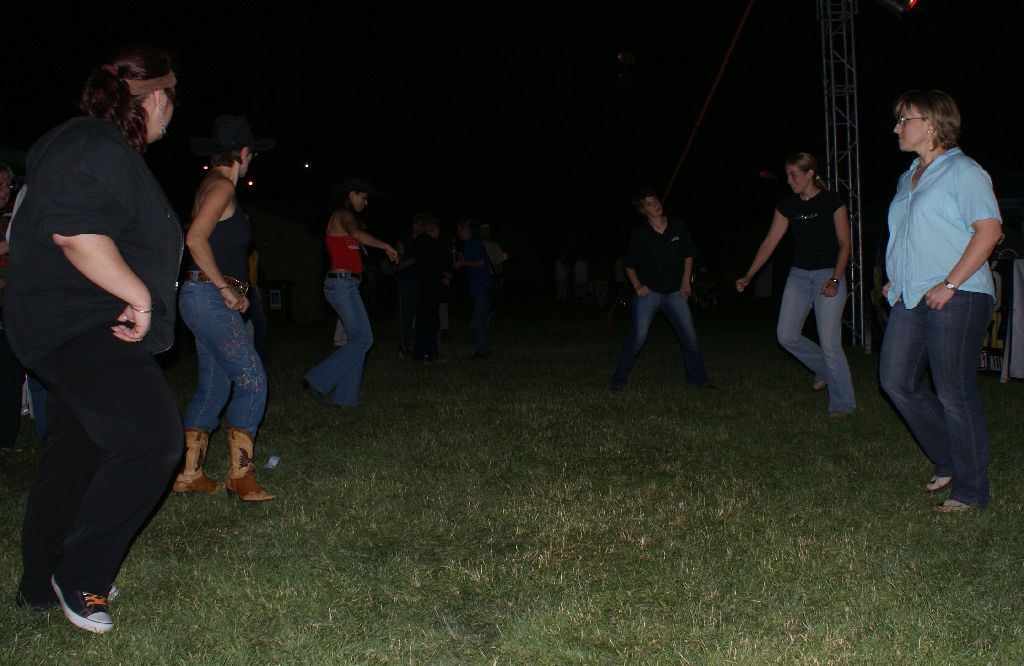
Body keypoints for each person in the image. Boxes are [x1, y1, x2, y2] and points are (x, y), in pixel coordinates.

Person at [6, 48, 182, 633]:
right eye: (171, 101)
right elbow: (75, 233)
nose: (170, 114)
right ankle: (82, 573)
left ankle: (37, 582)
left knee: (77, 451)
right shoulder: (92, 143)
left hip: (69, 325)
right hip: (81, 324)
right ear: (154, 97)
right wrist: (140, 296)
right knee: (152, 441)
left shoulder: (98, 148)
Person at [878, 90, 1001, 513]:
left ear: (930, 124)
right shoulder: (910, 175)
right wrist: (896, 279)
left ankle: (970, 489)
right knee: (896, 380)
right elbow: (907, 236)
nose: (896, 127)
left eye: (903, 119)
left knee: (954, 391)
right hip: (911, 294)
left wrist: (949, 284)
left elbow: (988, 231)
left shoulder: (964, 172)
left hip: (959, 293)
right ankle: (948, 459)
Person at [174, 115, 276, 502]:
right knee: (253, 380)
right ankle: (240, 476)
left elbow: (215, 247)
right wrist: (224, 288)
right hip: (208, 297)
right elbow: (196, 239)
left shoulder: (211, 185)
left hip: (203, 297)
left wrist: (235, 287)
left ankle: (190, 474)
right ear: (245, 153)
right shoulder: (221, 187)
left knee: (215, 385)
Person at [735, 153, 856, 416]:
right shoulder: (787, 205)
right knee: (786, 335)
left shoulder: (832, 201)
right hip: (799, 276)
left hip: (828, 274)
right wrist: (749, 274)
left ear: (810, 173)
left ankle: (843, 403)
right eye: (788, 175)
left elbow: (845, 244)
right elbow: (769, 243)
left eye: (795, 175)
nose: (789, 180)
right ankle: (823, 369)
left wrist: (835, 279)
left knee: (830, 343)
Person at [303, 179, 397, 406]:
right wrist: (385, 246)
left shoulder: (347, 217)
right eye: (363, 198)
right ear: (352, 194)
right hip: (341, 285)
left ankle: (346, 399)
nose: (365, 202)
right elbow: (356, 234)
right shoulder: (343, 214)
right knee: (364, 339)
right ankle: (317, 380)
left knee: (357, 340)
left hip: (347, 285)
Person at [611, 189, 712, 390]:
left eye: (656, 200)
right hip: (650, 295)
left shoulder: (677, 225)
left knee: (689, 337)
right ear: (643, 210)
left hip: (675, 293)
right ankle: (618, 382)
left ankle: (699, 381)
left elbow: (688, 255)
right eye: (649, 203)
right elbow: (629, 266)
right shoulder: (640, 233)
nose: (655, 204)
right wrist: (638, 285)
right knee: (638, 337)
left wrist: (685, 282)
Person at [0, 162, 27, 453]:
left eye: (8, 186)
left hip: (10, 307)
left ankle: (6, 439)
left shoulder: (12, 219)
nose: (4, 191)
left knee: (9, 373)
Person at [454, 218, 494, 358]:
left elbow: (482, 262)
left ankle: (481, 351)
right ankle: (486, 349)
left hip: (482, 288)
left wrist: (463, 263)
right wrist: (463, 259)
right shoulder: (470, 244)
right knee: (483, 320)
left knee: (478, 320)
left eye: (460, 229)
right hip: (479, 287)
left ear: (466, 230)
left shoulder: (474, 243)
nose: (458, 233)